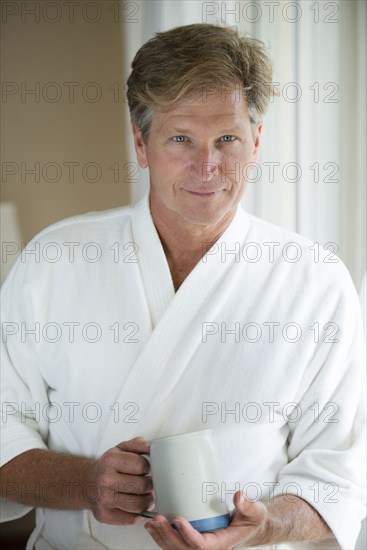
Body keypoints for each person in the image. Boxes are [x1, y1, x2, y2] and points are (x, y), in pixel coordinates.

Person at [0, 23, 365, 550]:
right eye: (180, 138)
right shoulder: (55, 261)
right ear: (140, 143)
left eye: (227, 139)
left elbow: (339, 477)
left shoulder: (316, 282)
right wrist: (83, 484)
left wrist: (263, 526)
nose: (207, 165)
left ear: (256, 142)